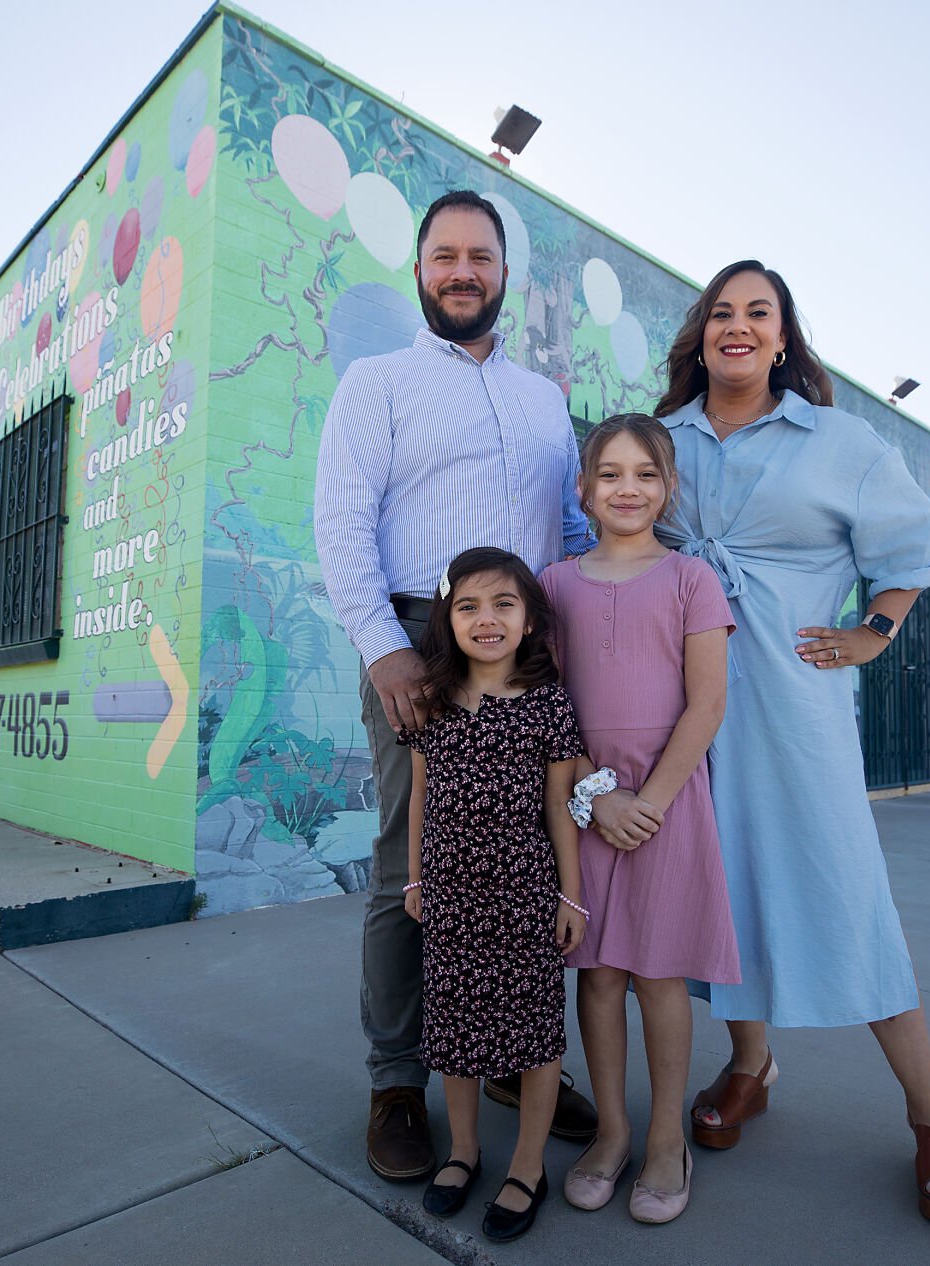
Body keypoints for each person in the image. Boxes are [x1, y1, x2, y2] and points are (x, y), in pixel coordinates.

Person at [650, 260, 930, 1227]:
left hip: (795, 714)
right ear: (700, 335)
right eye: (722, 313)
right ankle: (750, 1066)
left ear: (785, 336)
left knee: (847, 896)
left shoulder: (839, 441)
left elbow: (910, 553)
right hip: (681, 713)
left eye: (760, 312)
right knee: (721, 889)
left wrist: (873, 634)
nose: (739, 327)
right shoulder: (661, 440)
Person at [313, 190, 597, 1184]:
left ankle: (514, 1065)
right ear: (421, 269)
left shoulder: (544, 402)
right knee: (412, 863)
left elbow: (567, 533)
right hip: (419, 637)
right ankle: (397, 1081)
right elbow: (340, 518)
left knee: (518, 860)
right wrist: (385, 648)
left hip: (526, 645)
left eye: (479, 255)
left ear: (503, 275)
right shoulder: (377, 382)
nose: (461, 270)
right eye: (444, 256)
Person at [539, 415, 739, 1225]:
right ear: (583, 489)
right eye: (610, 474)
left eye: (645, 475)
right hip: (585, 804)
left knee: (657, 973)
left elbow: (709, 701)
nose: (628, 489)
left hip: (667, 803)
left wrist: (648, 802)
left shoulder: (691, 578)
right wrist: (597, 796)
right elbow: (547, 709)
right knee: (598, 972)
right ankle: (612, 1132)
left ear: (668, 489)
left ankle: (664, 1138)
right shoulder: (552, 584)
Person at [402, 547, 588, 1242]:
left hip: (525, 896)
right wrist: (417, 877)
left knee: (535, 1033)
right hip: (450, 896)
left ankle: (528, 1166)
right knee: (454, 1029)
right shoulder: (430, 704)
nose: (486, 620)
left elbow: (560, 807)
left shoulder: (548, 705)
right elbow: (420, 795)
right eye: (468, 606)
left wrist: (570, 897)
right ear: (447, 620)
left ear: (530, 620)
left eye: (503, 604)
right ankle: (464, 1152)